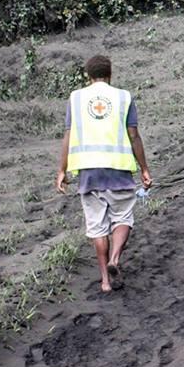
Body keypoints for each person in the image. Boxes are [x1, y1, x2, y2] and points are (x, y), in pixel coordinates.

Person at [55, 55, 153, 293]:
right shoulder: (123, 97)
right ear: (110, 75)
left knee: (97, 227)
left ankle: (105, 282)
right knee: (123, 218)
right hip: (118, 169)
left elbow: (68, 135)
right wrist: (144, 168)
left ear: (88, 76)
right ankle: (115, 258)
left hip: (89, 172)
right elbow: (134, 135)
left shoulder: (76, 99)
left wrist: (62, 170)